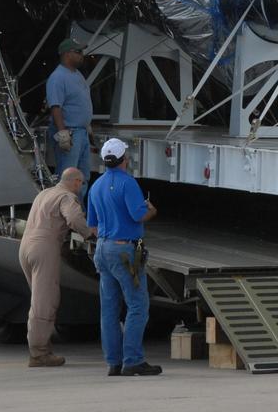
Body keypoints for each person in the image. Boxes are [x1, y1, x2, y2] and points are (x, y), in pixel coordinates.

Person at [87, 138, 161, 376]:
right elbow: (138, 215)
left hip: (102, 249)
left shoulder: (96, 185)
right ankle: (133, 360)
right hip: (124, 250)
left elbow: (93, 226)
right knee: (137, 305)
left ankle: (114, 362)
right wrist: (151, 210)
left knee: (108, 308)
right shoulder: (128, 183)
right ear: (124, 160)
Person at [18, 167, 96, 367]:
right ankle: (39, 353)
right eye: (81, 183)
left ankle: (42, 347)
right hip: (44, 248)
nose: (81, 187)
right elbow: (74, 218)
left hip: (25, 247)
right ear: (76, 182)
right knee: (45, 301)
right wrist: (90, 233)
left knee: (38, 298)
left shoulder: (45, 193)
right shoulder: (67, 197)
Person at [47, 38, 94, 204]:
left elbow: (80, 103)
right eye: (78, 52)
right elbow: (55, 107)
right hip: (71, 133)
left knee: (82, 176)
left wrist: (87, 127)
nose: (82, 55)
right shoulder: (57, 77)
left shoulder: (77, 74)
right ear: (67, 54)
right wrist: (62, 133)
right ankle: (64, 213)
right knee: (68, 176)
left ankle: (78, 211)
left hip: (81, 131)